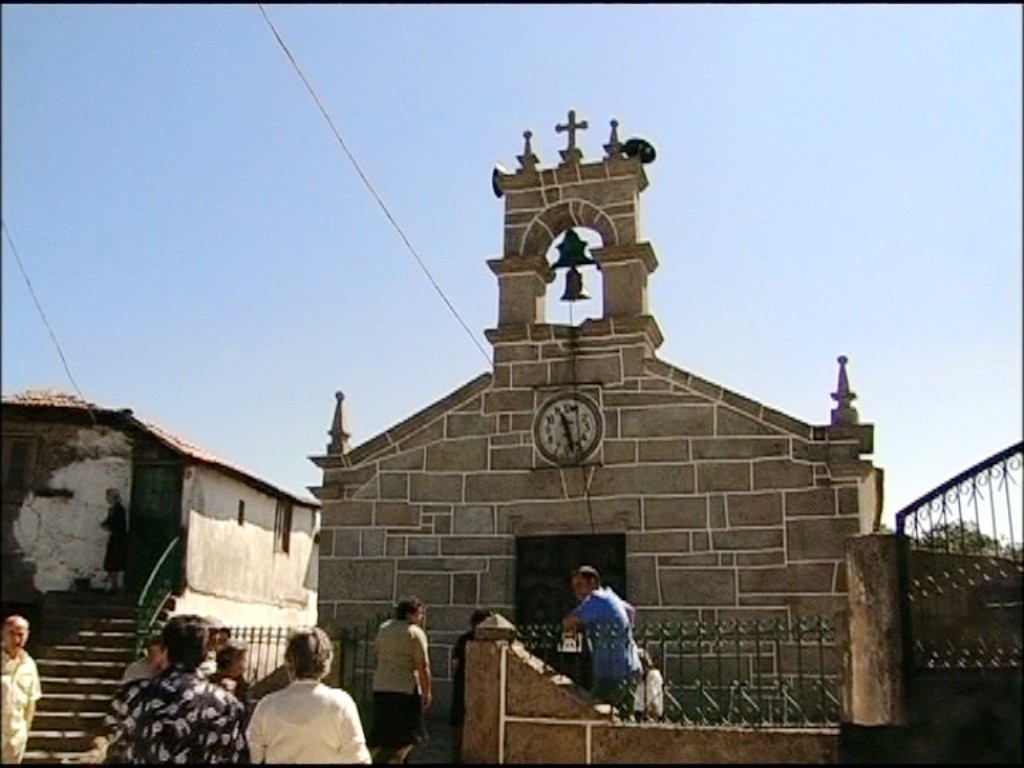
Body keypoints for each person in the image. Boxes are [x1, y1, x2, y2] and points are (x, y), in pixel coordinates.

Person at [97, 613, 247, 763]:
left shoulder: (133, 695)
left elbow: (113, 747)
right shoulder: (227, 706)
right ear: (204, 653)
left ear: (165, 650)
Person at [247, 626, 371, 764]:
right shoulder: (340, 704)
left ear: (289, 662)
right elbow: (358, 757)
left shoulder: (266, 706)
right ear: (326, 661)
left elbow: (255, 756)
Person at [562, 565, 641, 713]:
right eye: (574, 587)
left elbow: (568, 621)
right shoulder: (610, 596)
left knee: (593, 715)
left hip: (612, 675)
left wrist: (570, 637)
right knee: (624, 719)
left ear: (592, 582)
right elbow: (631, 611)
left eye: (580, 585)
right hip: (631, 668)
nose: (577, 591)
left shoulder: (596, 599)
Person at [368, 597, 432, 764]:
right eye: (419, 614)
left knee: (386, 735)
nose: (421, 618)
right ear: (410, 614)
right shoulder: (414, 633)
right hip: (405, 690)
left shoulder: (384, 629)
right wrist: (427, 691)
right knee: (409, 736)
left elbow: (377, 655)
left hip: (381, 687)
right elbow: (422, 665)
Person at [449, 609, 491, 762]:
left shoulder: (465, 639)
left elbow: (454, 662)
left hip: (469, 684)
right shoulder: (467, 639)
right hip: (467, 684)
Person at [1, 615, 41, 765]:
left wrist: (24, 731)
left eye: (20, 634)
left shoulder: (29, 665)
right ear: (3, 633)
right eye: (11, 633)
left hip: (15, 739)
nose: (16, 639)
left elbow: (31, 701)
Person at [210, 639, 252, 718]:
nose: (244, 663)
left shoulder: (241, 683)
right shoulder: (212, 682)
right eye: (239, 659)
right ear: (227, 661)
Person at [100, 489, 128, 594]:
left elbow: (118, 525)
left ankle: (114, 586)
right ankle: (112, 585)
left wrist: (108, 526)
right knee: (111, 563)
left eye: (108, 496)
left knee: (114, 563)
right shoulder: (113, 509)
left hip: (118, 539)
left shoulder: (119, 510)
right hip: (115, 538)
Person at [632, 648, 665, 721]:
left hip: (649, 714)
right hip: (639, 712)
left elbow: (653, 698)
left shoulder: (653, 675)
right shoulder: (641, 677)